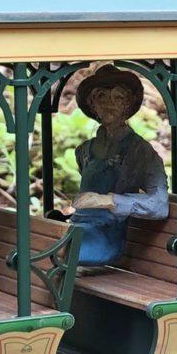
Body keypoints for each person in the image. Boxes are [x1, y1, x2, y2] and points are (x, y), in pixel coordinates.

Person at [71, 64, 168, 268]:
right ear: (92, 105)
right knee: (36, 243)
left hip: (104, 240)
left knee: (48, 254)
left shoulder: (140, 152)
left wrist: (107, 200)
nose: (110, 105)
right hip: (77, 230)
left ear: (128, 104)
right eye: (102, 98)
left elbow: (159, 205)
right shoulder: (84, 151)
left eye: (118, 98)